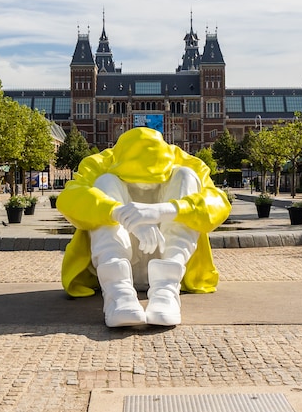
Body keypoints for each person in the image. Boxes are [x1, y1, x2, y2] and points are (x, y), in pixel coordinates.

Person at [57, 128, 231, 327]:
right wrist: (121, 214)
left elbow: (218, 204)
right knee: (104, 182)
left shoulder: (186, 162)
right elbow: (68, 199)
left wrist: (163, 210)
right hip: (111, 263)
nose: (143, 189)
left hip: (173, 261)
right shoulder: (100, 163)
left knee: (186, 176)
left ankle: (166, 290)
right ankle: (117, 292)